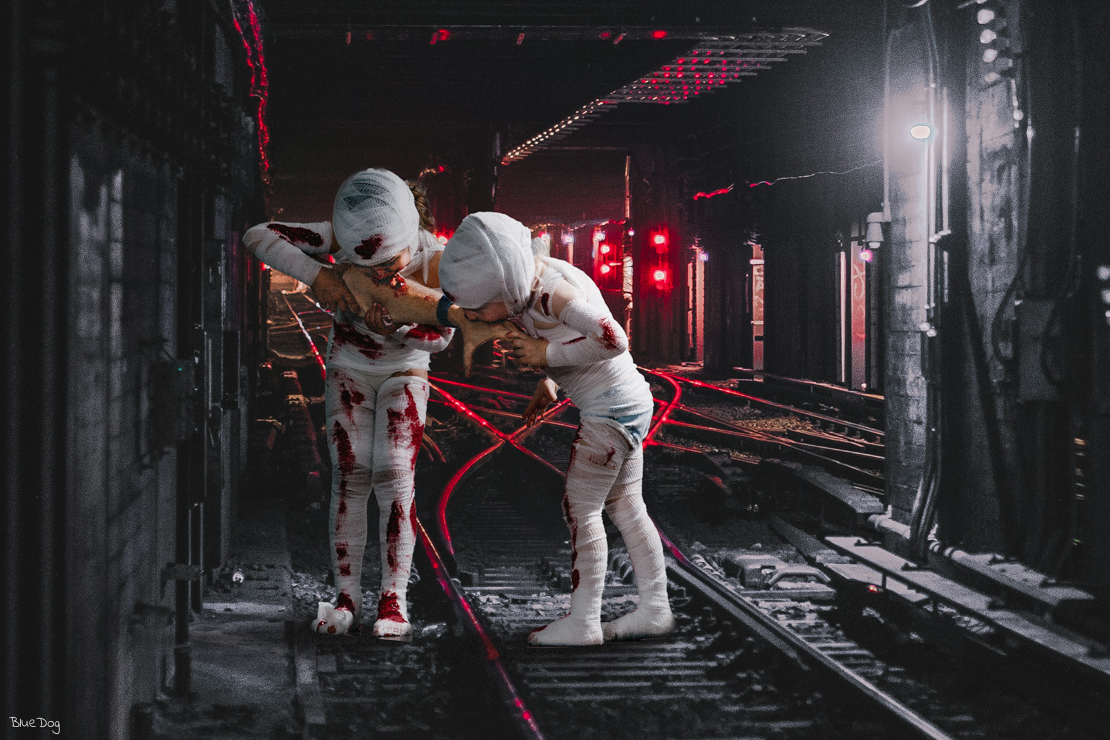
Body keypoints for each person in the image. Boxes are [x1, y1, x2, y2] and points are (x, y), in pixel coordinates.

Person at [437, 212, 676, 646]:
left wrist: (545, 356)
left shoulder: (552, 294)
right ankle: (655, 609)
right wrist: (550, 381)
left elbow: (613, 339)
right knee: (626, 509)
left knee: (580, 510)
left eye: (482, 306)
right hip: (626, 405)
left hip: (611, 412)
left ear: (508, 284)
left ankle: (584, 623)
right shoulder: (534, 282)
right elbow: (574, 342)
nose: (478, 316)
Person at [243, 169, 454, 641]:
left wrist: (395, 328)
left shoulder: (436, 255)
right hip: (348, 368)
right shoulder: (344, 232)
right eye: (370, 267)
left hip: (406, 369)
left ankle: (394, 600)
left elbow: (444, 335)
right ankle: (346, 597)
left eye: (389, 263)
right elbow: (258, 235)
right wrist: (318, 275)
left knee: (396, 470)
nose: (380, 274)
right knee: (351, 472)